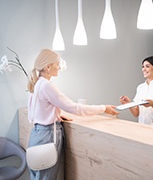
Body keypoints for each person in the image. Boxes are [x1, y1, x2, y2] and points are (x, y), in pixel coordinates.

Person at [27, 49, 119, 180]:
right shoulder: (47, 86)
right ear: (48, 66)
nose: (59, 67)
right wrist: (104, 108)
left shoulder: (36, 84)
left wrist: (56, 115)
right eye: (57, 64)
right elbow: (75, 108)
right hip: (47, 136)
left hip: (37, 135)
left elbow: (34, 112)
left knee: (38, 176)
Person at [120, 56, 153, 127]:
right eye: (143, 66)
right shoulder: (140, 87)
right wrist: (128, 103)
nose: (144, 69)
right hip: (142, 127)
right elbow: (136, 113)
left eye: (147, 66)